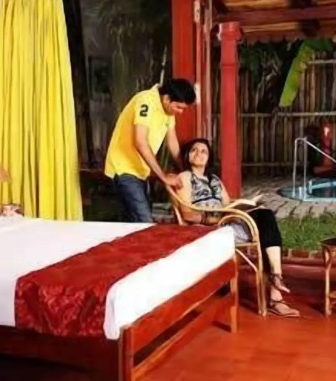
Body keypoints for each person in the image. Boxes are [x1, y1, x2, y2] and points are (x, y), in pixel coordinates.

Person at [176, 138, 300, 318]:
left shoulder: (215, 180)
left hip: (226, 223)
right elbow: (187, 214)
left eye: (204, 151)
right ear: (187, 155)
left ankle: (276, 278)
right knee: (265, 227)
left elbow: (228, 206)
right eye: (194, 150)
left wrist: (244, 205)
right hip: (207, 229)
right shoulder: (185, 177)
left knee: (265, 216)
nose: (199, 154)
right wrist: (215, 218)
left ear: (209, 157)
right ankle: (276, 295)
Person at [104, 78, 197, 223]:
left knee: (133, 224)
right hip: (124, 169)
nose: (180, 112)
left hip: (141, 172)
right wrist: (163, 176)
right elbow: (140, 142)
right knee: (145, 223)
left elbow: (172, 143)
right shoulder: (146, 101)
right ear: (166, 99)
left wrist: (186, 171)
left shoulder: (168, 112)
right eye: (179, 107)